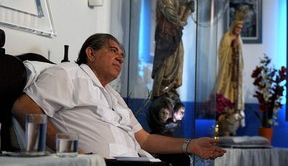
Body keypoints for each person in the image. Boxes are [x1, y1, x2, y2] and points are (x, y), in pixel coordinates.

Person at [12, 33, 225, 160]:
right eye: (113, 51)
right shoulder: (68, 73)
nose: (120, 58)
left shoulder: (113, 96)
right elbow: (24, 107)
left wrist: (191, 145)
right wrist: (72, 153)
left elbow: (146, 140)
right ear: (91, 53)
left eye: (122, 55)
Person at [151, 0, 187, 99]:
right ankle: (161, 91)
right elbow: (168, 10)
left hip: (174, 32)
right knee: (167, 62)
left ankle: (171, 88)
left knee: (178, 56)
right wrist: (179, 21)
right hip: (166, 33)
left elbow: (181, 4)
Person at [215, 8, 246, 127]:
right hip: (227, 71)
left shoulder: (239, 40)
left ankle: (233, 118)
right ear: (233, 27)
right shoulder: (226, 37)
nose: (239, 30)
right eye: (238, 27)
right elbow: (222, 53)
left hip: (236, 73)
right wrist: (231, 48)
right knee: (224, 90)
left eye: (241, 28)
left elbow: (241, 57)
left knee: (235, 93)